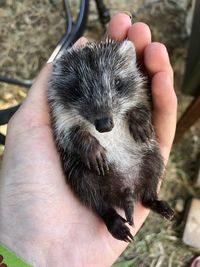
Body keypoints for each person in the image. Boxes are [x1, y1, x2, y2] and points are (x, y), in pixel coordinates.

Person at [0, 12, 177, 266]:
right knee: (81, 177)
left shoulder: (131, 91)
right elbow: (68, 134)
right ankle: (107, 215)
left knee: (151, 156)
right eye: (79, 92)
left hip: (136, 165)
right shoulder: (64, 105)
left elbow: (140, 107)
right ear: (63, 86)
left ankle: (149, 197)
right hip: (101, 181)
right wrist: (85, 143)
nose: (103, 118)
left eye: (116, 85)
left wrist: (138, 117)